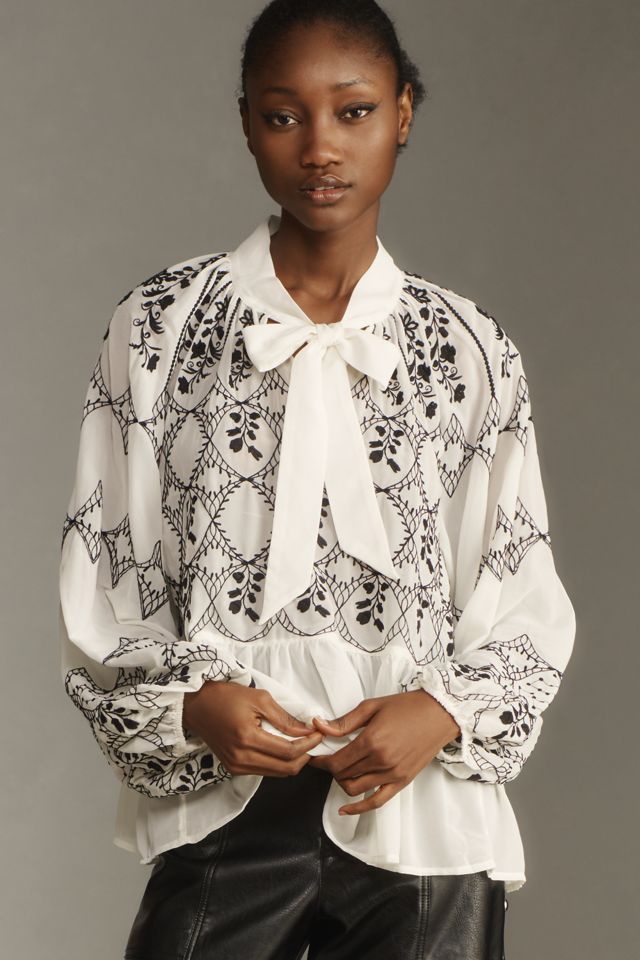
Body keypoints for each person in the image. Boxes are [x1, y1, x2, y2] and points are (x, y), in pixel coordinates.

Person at [58, 1, 576, 957]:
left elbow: (519, 584)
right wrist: (191, 706)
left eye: (355, 110)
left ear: (404, 112)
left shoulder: (469, 350)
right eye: (283, 115)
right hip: (229, 802)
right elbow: (109, 565)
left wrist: (443, 710)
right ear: (246, 122)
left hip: (421, 813)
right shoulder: (160, 329)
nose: (320, 148)